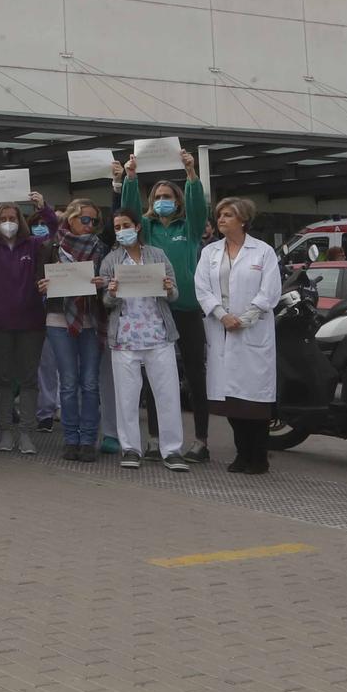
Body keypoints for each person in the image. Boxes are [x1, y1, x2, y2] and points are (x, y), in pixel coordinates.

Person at [117, 152, 209, 462]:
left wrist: (191, 173)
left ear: (178, 200)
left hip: (188, 308)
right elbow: (127, 212)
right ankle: (155, 439)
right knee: (157, 376)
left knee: (196, 374)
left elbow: (199, 206)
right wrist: (130, 177)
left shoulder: (191, 226)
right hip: (159, 311)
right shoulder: (147, 228)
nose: (161, 200)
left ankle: (201, 439)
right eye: (157, 196)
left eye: (167, 196)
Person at [0, 182, 57, 456]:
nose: (8, 223)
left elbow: (55, 231)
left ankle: (27, 433)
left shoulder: (33, 244)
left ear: (20, 221)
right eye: (3, 219)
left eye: (12, 218)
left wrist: (44, 208)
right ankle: (6, 430)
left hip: (31, 323)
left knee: (28, 380)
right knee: (3, 379)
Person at [194, 198, 282, 475]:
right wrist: (221, 315)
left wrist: (244, 319)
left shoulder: (263, 252)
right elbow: (202, 289)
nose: (221, 219)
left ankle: (259, 456)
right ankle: (242, 453)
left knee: (254, 403)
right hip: (221, 330)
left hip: (252, 331)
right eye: (219, 215)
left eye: (228, 215)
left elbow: (269, 291)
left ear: (243, 220)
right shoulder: (210, 252)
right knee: (230, 400)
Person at [98, 209, 187, 471]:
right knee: (126, 396)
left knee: (168, 395)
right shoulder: (110, 260)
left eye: (126, 225)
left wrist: (169, 287)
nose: (121, 230)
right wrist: (112, 292)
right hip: (124, 336)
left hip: (158, 334)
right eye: (117, 226)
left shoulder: (157, 255)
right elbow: (105, 302)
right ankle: (131, 448)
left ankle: (171, 450)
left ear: (137, 227)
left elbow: (174, 295)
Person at [41, 199, 108, 463]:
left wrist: (102, 283)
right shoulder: (51, 247)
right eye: (85, 220)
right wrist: (43, 285)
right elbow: (38, 279)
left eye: (94, 221)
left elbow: (109, 279)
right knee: (68, 383)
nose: (90, 226)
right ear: (71, 219)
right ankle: (70, 439)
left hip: (91, 319)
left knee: (90, 383)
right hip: (58, 318)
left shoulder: (100, 248)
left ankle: (89, 439)